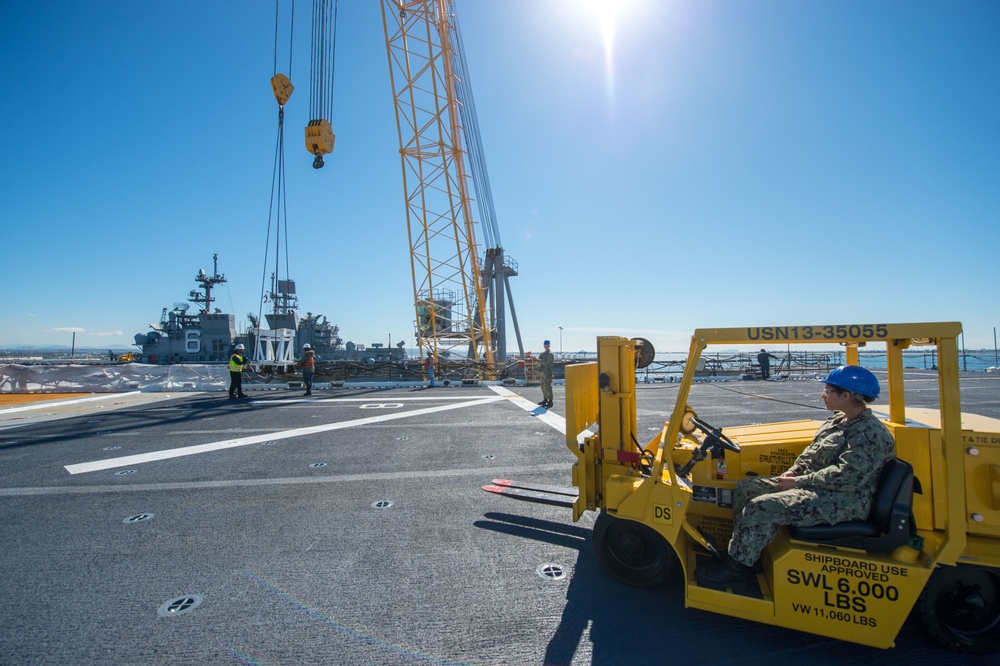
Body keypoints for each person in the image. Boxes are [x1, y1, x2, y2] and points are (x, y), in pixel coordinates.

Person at [696, 365, 895, 591]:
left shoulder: (870, 434)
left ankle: (735, 570)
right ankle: (745, 555)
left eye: (828, 391)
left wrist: (798, 482)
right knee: (747, 488)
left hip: (845, 501)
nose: (823, 395)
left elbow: (847, 477)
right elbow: (812, 454)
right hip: (820, 487)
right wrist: (795, 471)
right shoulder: (839, 421)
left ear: (846, 396)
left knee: (762, 507)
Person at [537, 340, 554, 408]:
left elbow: (546, 362)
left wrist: (540, 361)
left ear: (549, 346)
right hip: (542, 373)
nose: (546, 346)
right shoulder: (542, 354)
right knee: (543, 386)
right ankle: (545, 399)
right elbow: (539, 363)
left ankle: (550, 400)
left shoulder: (550, 354)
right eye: (545, 345)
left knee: (548, 387)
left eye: (547, 345)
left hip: (548, 373)